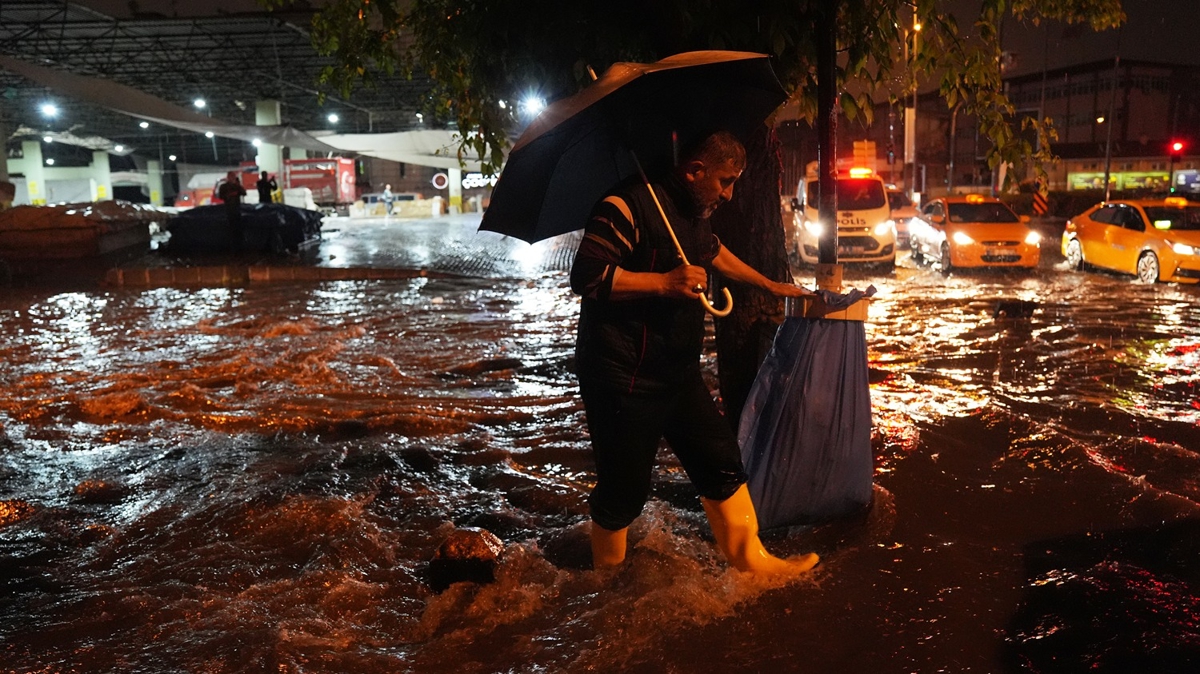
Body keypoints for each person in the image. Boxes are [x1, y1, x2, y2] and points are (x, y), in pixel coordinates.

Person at [570, 130, 820, 576]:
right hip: (623, 374)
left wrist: (768, 284)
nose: (729, 194)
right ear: (694, 170)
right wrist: (664, 283)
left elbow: (713, 251)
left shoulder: (692, 210)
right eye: (725, 181)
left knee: (722, 461)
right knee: (623, 491)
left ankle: (753, 562)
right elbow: (587, 276)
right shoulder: (624, 205)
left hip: (677, 370)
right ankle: (606, 585)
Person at [216, 171, 247, 241]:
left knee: (238, 226)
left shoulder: (237, 186)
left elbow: (244, 193)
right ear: (228, 177)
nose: (232, 178)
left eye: (233, 176)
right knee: (231, 226)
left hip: (237, 209)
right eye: (231, 176)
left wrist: (238, 185)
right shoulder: (223, 186)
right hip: (229, 210)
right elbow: (221, 196)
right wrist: (229, 195)